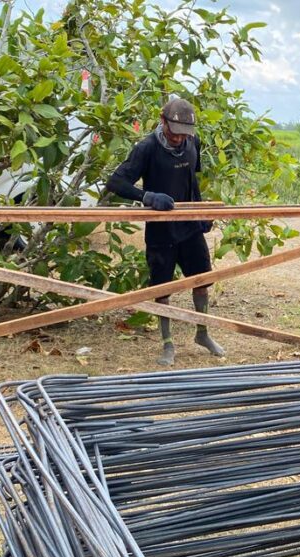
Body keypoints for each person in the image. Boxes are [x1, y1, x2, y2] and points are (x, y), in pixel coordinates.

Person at [106, 97, 225, 366]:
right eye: (174, 134)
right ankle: (167, 342)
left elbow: (191, 180)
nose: (179, 140)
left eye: (185, 135)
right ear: (163, 122)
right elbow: (115, 182)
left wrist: (200, 212)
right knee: (163, 287)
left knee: (202, 280)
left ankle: (202, 333)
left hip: (189, 226)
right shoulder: (146, 148)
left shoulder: (192, 143)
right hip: (161, 230)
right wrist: (146, 196)